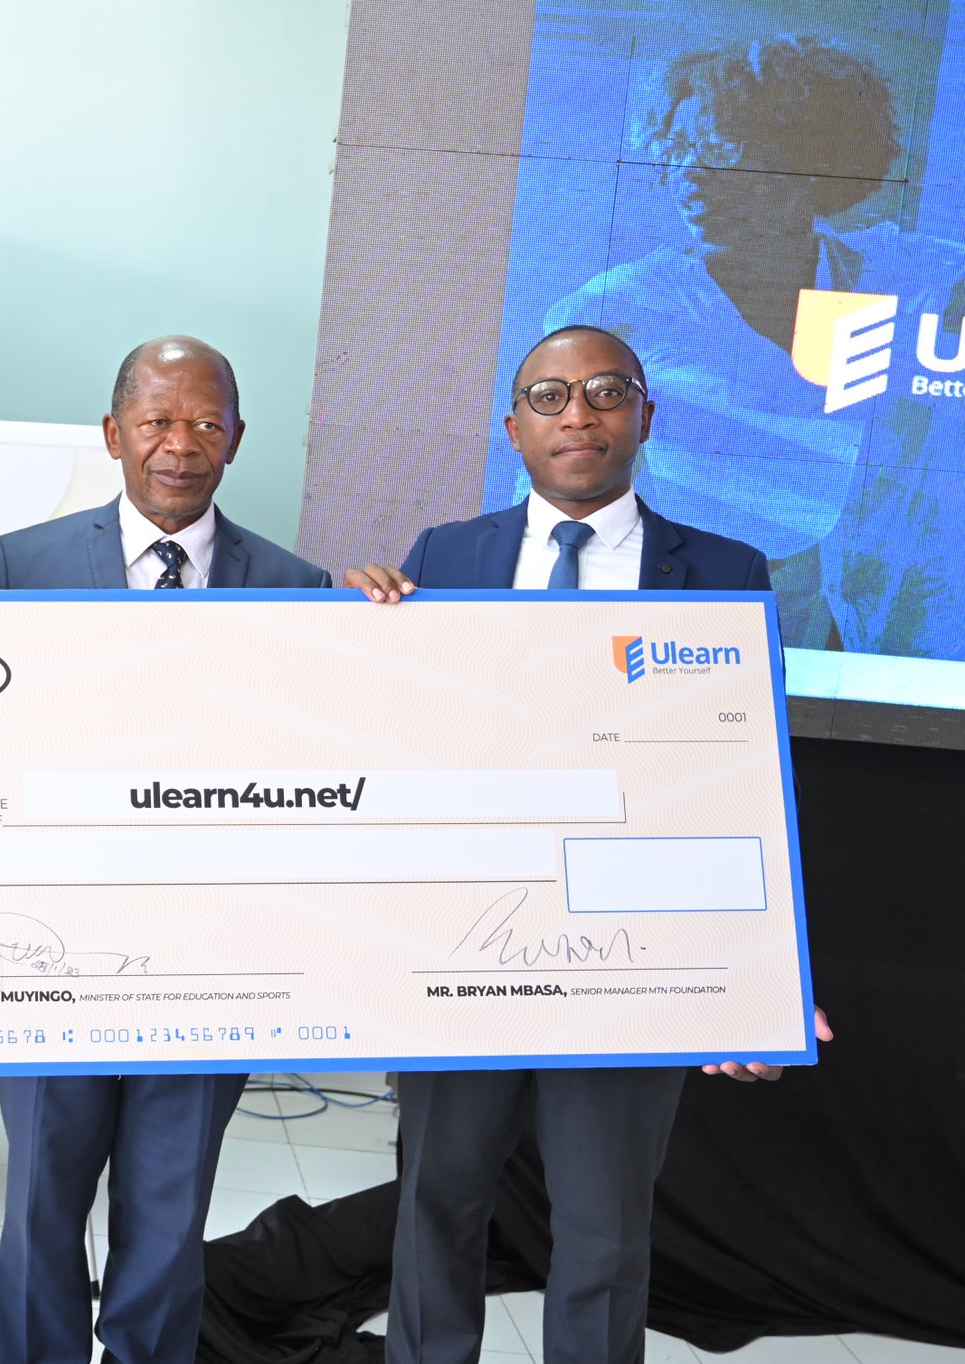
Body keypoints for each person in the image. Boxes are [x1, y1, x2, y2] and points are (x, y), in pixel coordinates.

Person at [346, 323, 829, 1364]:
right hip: (465, 941)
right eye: (550, 396)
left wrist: (758, 977)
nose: (578, 414)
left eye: (606, 391)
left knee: (605, 1234)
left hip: (629, 950)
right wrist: (351, 638)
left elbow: (738, 787)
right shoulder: (442, 557)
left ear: (645, 416)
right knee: (434, 1206)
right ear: (511, 427)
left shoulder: (726, 572)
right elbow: (399, 740)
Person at [0, 335, 334, 1364]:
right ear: (112, 433)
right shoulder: (23, 565)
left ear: (237, 438)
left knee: (170, 1212)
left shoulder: (299, 586)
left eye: (206, 423)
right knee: (41, 1200)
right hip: (51, 951)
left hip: (211, 957)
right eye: (157, 421)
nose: (181, 445)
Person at [534, 34, 964, 659]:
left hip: (877, 637)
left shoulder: (903, 277)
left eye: (721, 152)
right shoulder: (612, 316)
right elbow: (556, 507)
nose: (690, 175)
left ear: (807, 163)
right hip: (684, 635)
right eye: (679, 150)